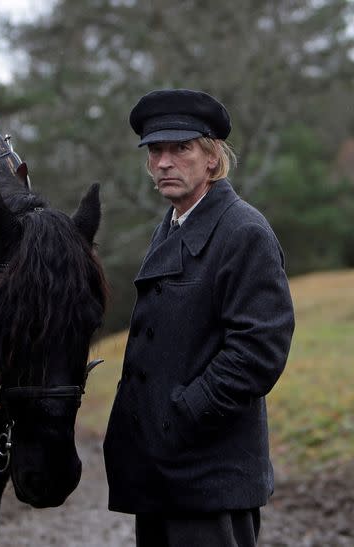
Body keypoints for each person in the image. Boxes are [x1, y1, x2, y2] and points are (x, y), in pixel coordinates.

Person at [103, 89, 295, 547]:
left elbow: (259, 350)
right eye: (156, 151)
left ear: (212, 159)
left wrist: (183, 412)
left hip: (209, 477)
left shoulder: (243, 231)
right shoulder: (171, 225)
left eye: (181, 148)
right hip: (161, 474)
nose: (165, 162)